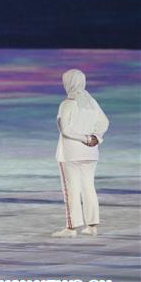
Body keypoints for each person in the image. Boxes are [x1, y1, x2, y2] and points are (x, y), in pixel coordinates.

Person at [52, 69, 110, 238]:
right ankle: (92, 225)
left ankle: (71, 228)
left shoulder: (68, 103)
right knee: (88, 188)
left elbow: (65, 129)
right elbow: (104, 122)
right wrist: (96, 137)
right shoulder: (91, 102)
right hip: (90, 153)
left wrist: (85, 138)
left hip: (71, 153)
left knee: (71, 189)